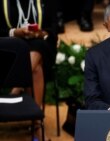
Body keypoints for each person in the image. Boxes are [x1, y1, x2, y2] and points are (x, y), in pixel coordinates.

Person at [0, 0, 57, 140]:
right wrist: (15, 32)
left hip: (40, 47)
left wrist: (40, 33)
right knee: (36, 68)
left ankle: (17, 86)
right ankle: (37, 123)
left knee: (37, 50)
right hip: (9, 50)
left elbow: (54, 29)